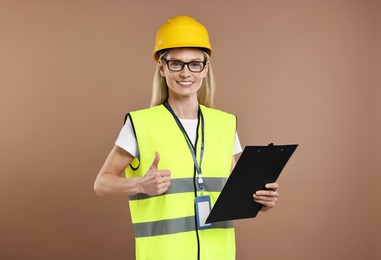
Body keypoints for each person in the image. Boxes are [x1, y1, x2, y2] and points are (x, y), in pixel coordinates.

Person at [94, 15, 279, 260]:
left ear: (205, 68)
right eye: (176, 64)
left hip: (219, 254)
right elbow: (101, 184)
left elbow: (238, 191)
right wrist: (140, 184)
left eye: (194, 64)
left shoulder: (225, 124)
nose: (185, 73)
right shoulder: (141, 124)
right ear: (162, 67)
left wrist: (261, 199)